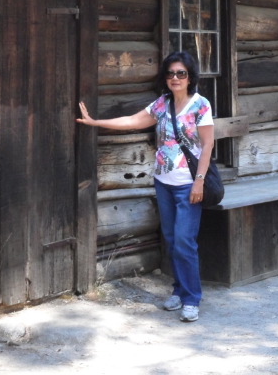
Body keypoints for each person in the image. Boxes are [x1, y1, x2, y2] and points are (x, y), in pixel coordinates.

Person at [77, 50, 214, 322]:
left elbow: (208, 143)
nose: (175, 78)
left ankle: (191, 298)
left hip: (189, 184)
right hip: (163, 182)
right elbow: (132, 121)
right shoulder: (161, 105)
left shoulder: (201, 105)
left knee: (185, 241)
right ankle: (179, 289)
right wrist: (95, 122)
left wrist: (199, 181)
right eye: (171, 73)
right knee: (173, 240)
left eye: (181, 73)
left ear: (190, 77)